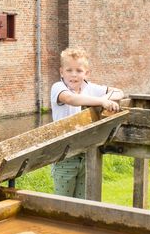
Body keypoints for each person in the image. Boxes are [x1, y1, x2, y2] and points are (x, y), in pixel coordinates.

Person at [49, 47, 123, 198]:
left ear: (86, 73)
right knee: (63, 203)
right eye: (69, 70)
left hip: (86, 154)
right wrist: (102, 101)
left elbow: (119, 92)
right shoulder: (58, 87)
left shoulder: (90, 88)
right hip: (64, 155)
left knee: (83, 203)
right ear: (61, 72)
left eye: (78, 70)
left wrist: (106, 98)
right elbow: (71, 99)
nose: (74, 75)